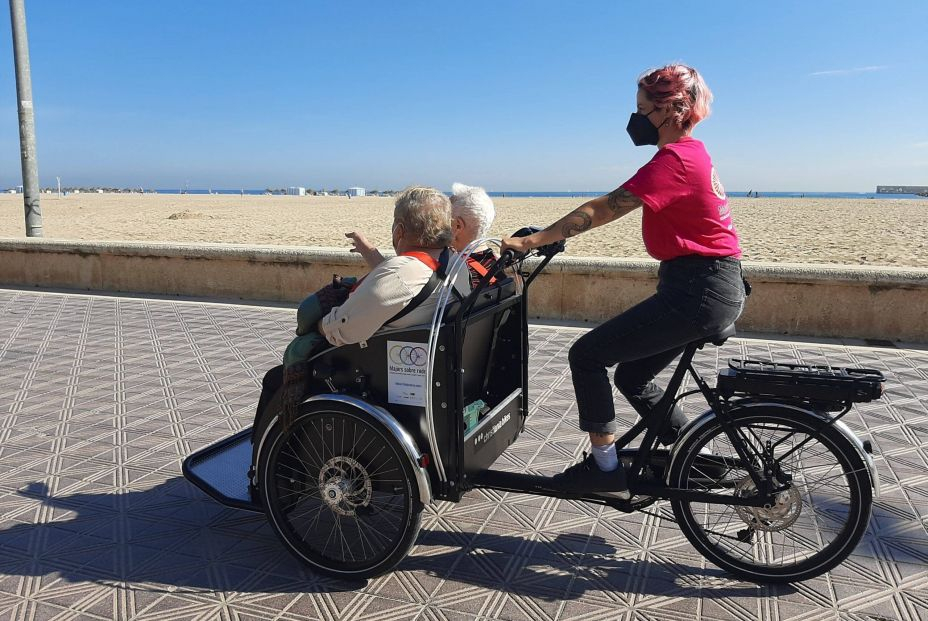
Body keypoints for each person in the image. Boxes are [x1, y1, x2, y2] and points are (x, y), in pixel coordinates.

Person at [501, 64, 746, 498]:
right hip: (709, 285)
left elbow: (605, 208)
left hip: (698, 290)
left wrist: (533, 240)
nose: (635, 119)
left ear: (670, 110)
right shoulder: (694, 153)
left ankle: (605, 470)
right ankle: (697, 457)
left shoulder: (675, 161)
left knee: (587, 356)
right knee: (632, 378)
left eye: (642, 109)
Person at [254, 185, 470, 427]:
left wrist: (317, 326)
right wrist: (370, 253)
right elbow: (406, 285)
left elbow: (342, 329)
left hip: (379, 372)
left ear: (399, 230)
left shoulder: (400, 274)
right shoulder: (456, 264)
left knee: (275, 379)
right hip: (433, 365)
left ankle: (269, 446)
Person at [347, 182, 497, 288]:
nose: (438, 220)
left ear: (457, 226)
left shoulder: (454, 267)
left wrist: (370, 251)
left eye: (444, 217)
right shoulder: (494, 263)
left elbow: (396, 282)